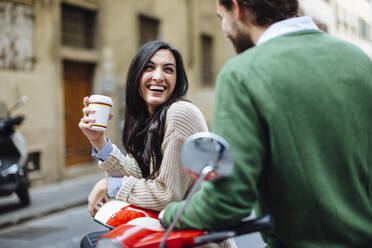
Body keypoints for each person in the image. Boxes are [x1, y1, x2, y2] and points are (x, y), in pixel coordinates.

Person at [159, 1, 372, 248]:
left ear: (237, 9)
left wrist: (169, 214)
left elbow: (227, 201)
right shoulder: (360, 60)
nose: (225, 31)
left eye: (221, 18)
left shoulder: (241, 74)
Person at [79, 40, 236, 248]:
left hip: (198, 241)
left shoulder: (180, 113)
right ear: (136, 76)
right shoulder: (149, 120)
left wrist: (110, 185)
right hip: (171, 236)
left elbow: (168, 195)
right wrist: (98, 140)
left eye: (168, 70)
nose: (158, 76)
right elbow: (138, 173)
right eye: (149, 67)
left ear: (177, 79)